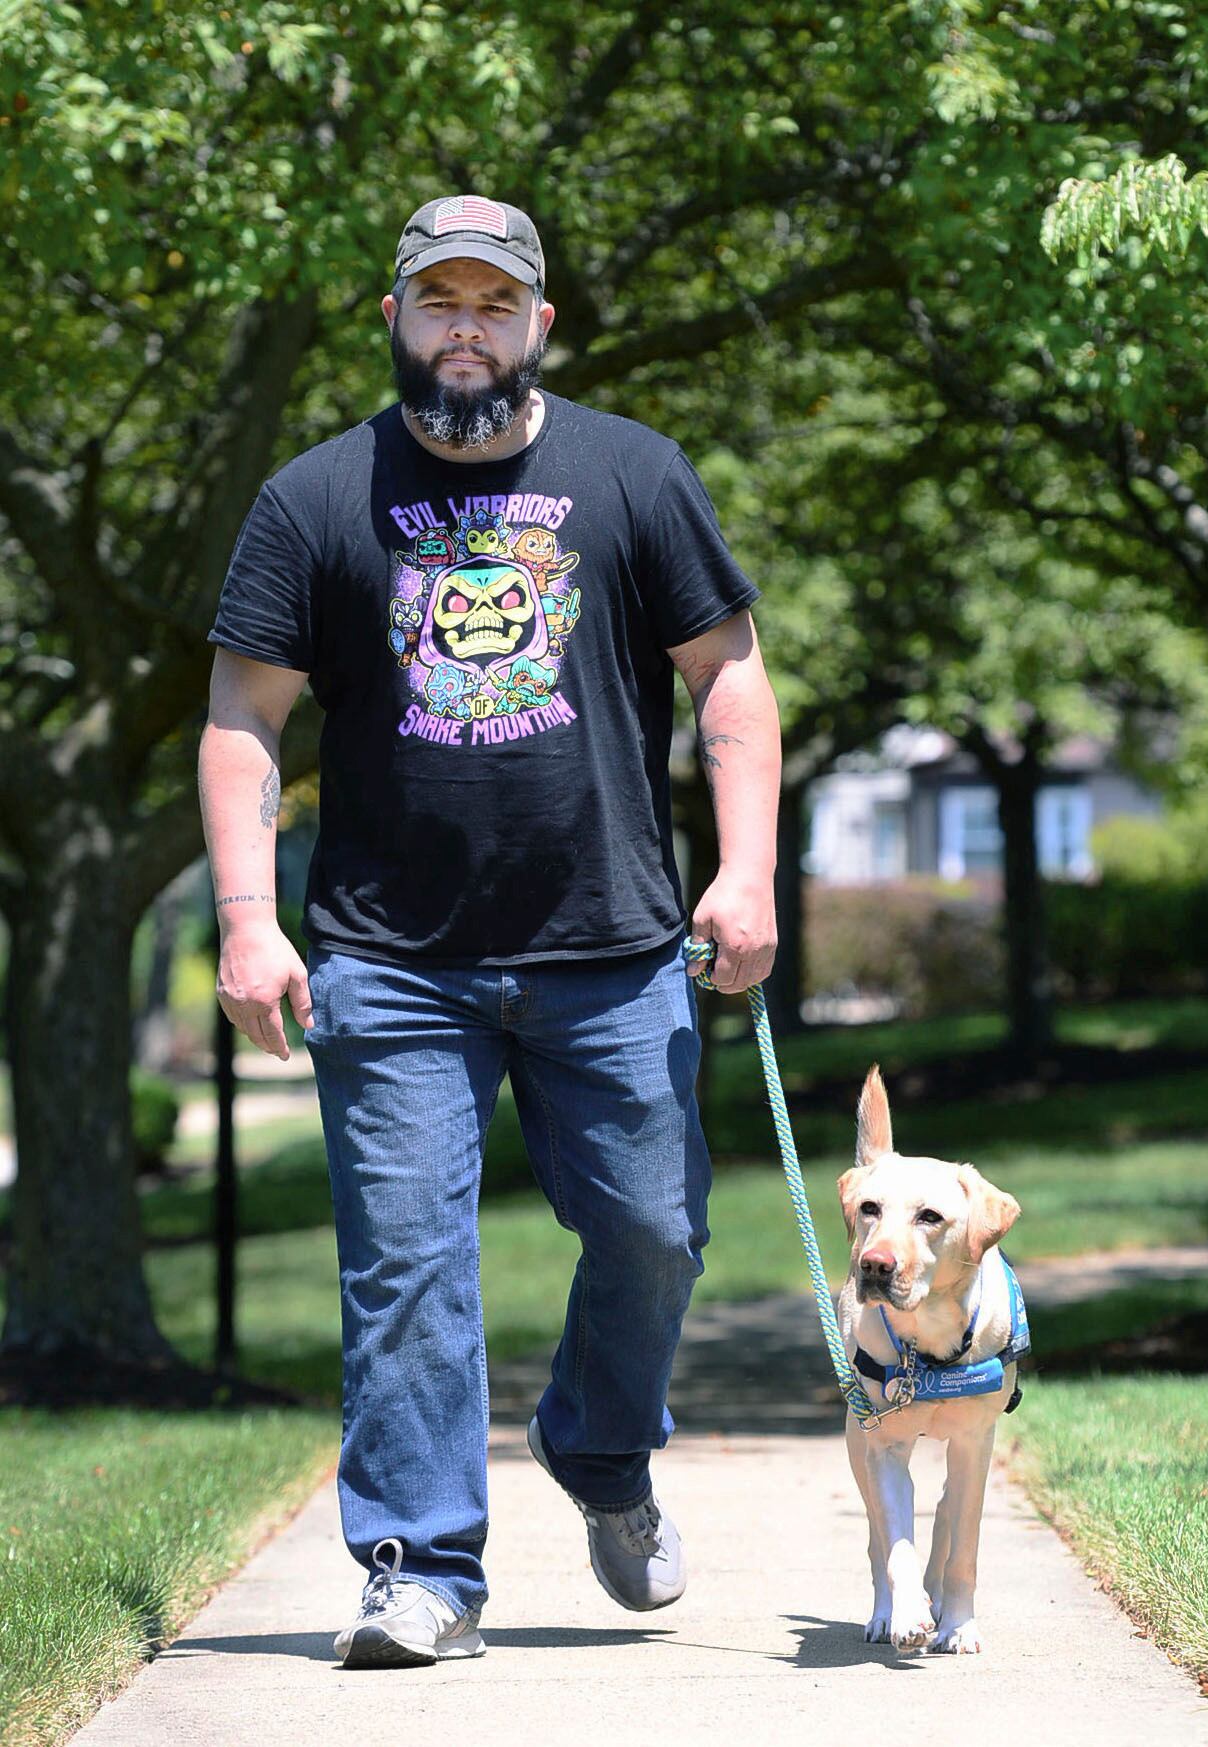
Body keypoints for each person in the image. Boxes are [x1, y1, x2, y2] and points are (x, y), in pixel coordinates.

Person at [198, 194, 781, 1669]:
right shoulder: (315, 498)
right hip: (391, 960)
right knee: (404, 1265)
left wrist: (748, 872)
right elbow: (242, 720)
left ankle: (597, 1451)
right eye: (437, 299)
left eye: (494, 301)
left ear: (540, 325)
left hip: (615, 946)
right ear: (392, 320)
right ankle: (420, 1569)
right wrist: (249, 920)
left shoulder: (631, 475)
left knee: (653, 1233)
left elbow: (727, 679)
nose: (467, 324)